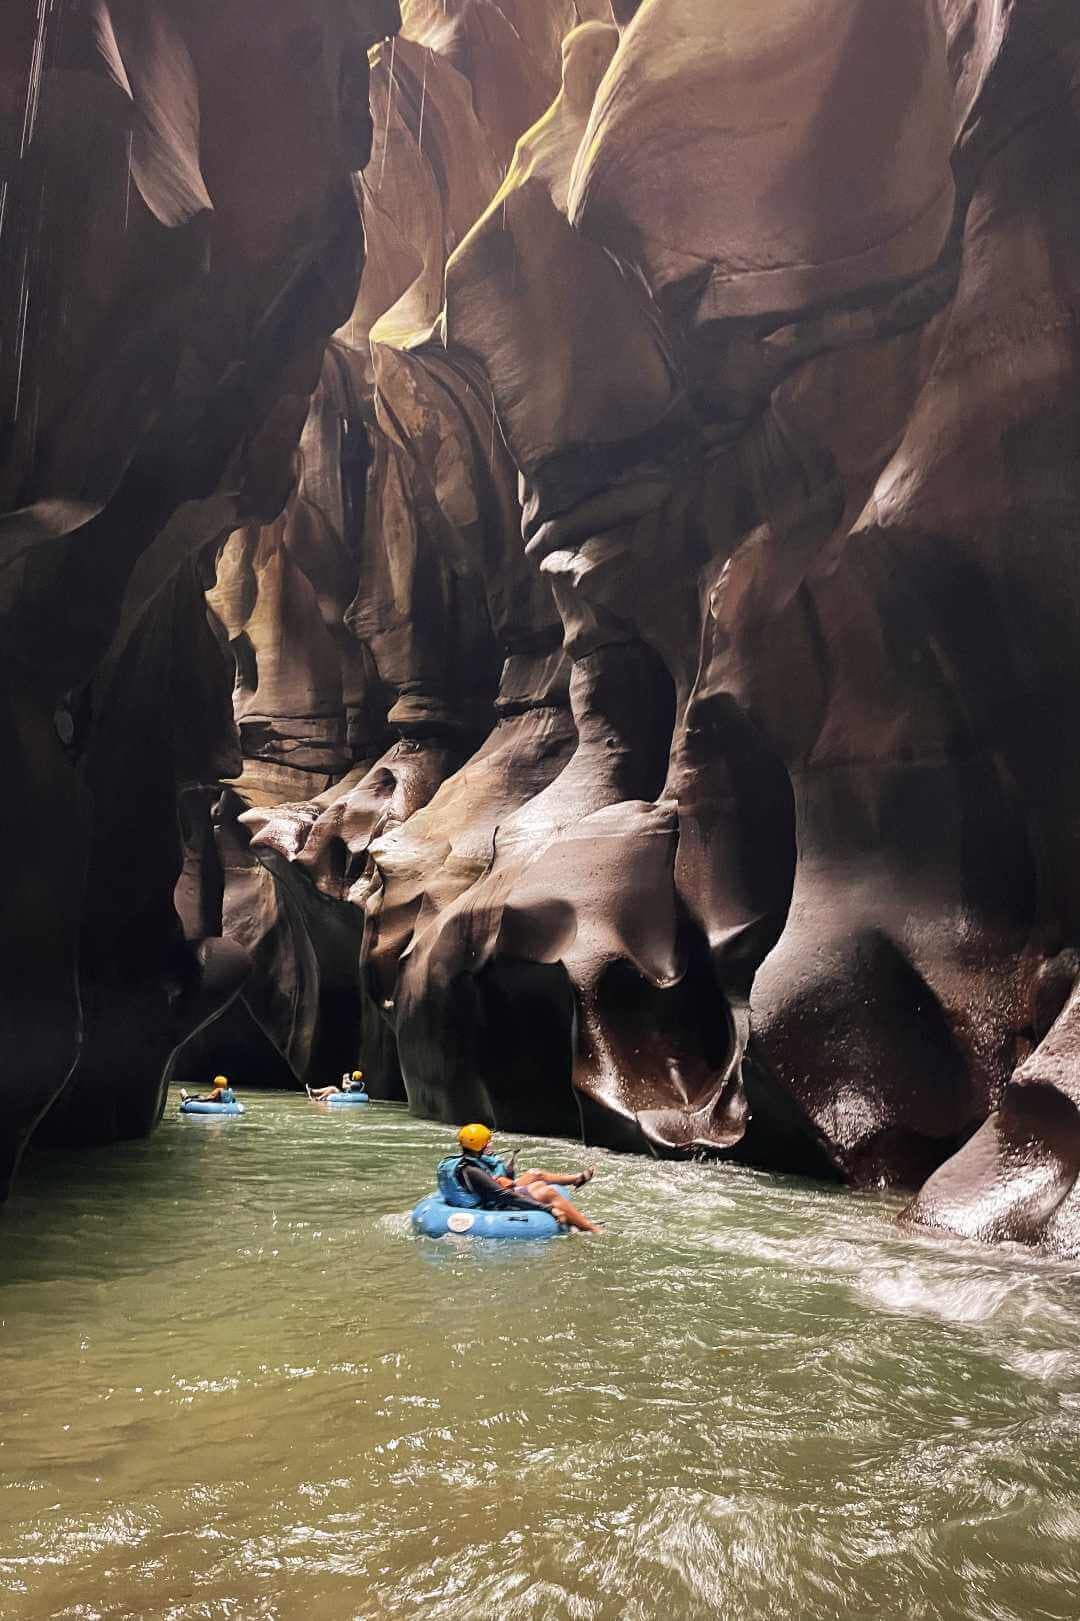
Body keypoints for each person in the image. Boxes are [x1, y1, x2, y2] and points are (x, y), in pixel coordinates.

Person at [437, 1124, 601, 1233]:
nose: (490, 1144)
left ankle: (576, 1187)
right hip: (487, 1207)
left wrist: (508, 1172)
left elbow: (492, 1183)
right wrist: (548, 1209)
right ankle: (593, 1230)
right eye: (487, 1142)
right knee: (547, 1192)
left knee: (537, 1179)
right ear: (479, 1145)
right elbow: (504, 1196)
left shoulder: (468, 1161)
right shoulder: (471, 1170)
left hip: (487, 1196)